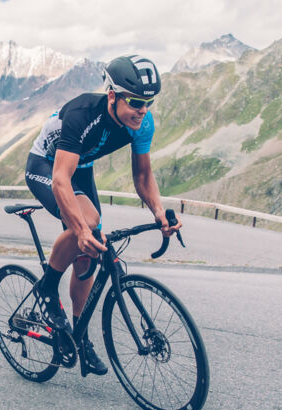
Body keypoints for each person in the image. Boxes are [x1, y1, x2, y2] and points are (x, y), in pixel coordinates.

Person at [24, 55, 181, 377]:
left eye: (149, 103)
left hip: (81, 169)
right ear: (113, 95)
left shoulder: (142, 122)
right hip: (47, 166)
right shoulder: (83, 114)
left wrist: (158, 212)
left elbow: (143, 176)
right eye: (136, 101)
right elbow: (59, 180)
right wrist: (80, 228)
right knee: (90, 225)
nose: (143, 110)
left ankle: (79, 339)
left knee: (88, 257)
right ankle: (47, 287)